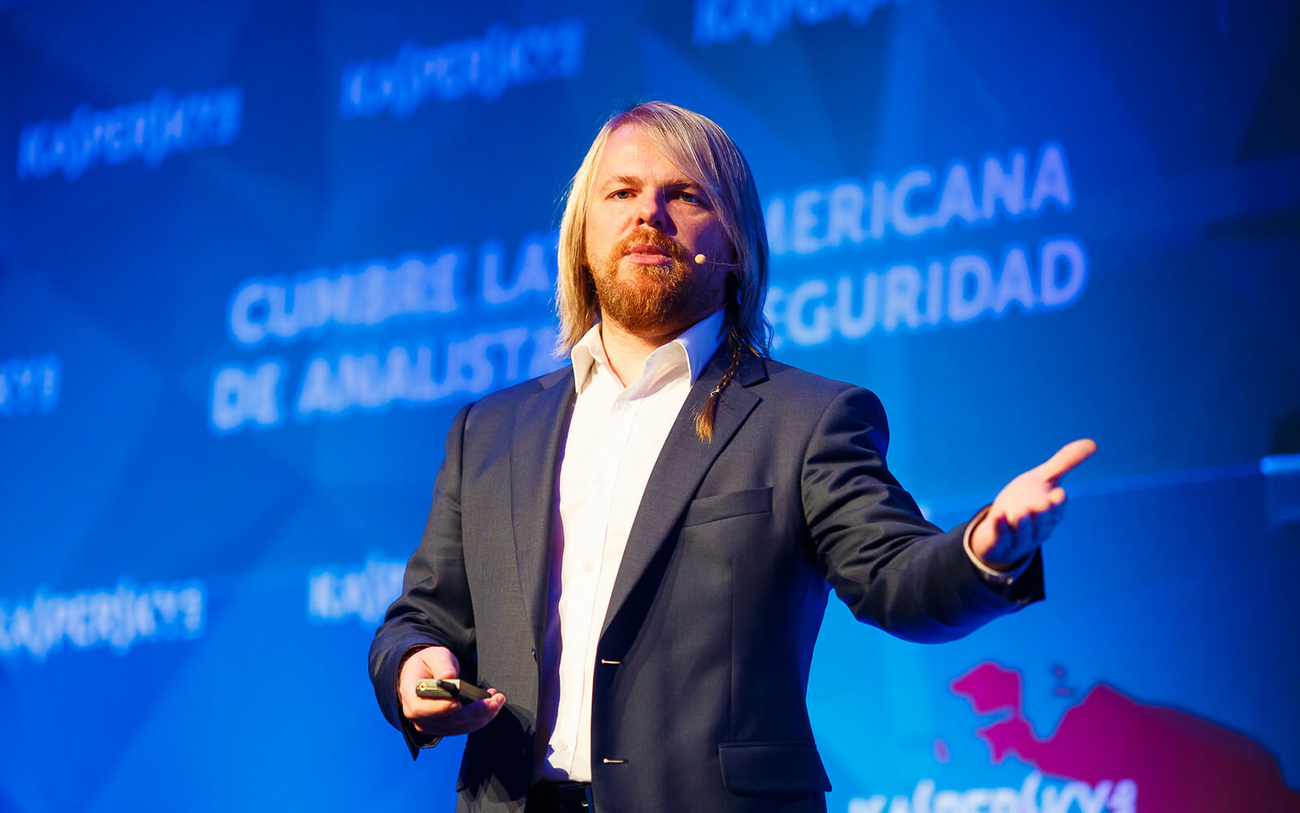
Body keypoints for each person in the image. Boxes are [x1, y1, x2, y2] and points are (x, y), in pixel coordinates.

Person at [369, 101, 1095, 813]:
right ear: (582, 234)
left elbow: (895, 578)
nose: (647, 212)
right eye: (620, 192)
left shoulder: (806, 419)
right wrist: (413, 671)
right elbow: (422, 617)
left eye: (683, 194)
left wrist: (984, 549)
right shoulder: (490, 430)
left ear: (737, 242)